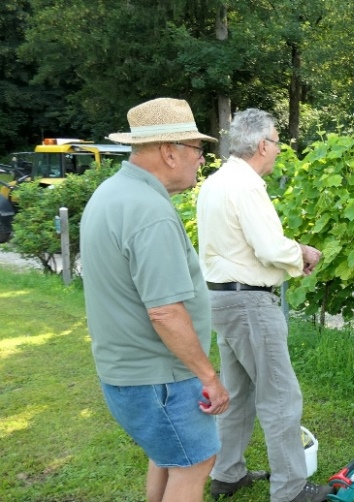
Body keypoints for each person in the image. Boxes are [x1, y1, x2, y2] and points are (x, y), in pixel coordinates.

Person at [81, 97, 228, 502]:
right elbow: (164, 311)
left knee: (170, 457)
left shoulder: (111, 193)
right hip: (160, 377)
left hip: (130, 374)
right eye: (197, 151)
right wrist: (208, 377)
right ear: (169, 152)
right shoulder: (150, 212)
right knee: (196, 462)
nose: (201, 160)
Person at [196, 108, 331, 502]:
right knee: (279, 396)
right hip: (249, 304)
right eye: (276, 142)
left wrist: (288, 258)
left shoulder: (217, 182)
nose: (277, 151)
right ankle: (290, 489)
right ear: (261, 145)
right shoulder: (248, 187)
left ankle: (227, 473)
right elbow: (269, 247)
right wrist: (302, 251)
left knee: (237, 392)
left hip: (222, 300)